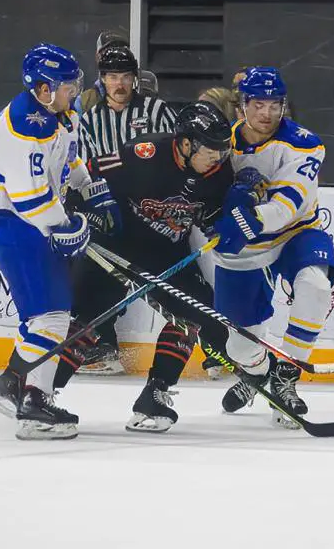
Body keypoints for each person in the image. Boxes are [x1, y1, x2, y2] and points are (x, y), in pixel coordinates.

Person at [0, 43, 121, 440]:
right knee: (51, 318)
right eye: (68, 84)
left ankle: (13, 386)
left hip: (27, 219)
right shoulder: (24, 123)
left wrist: (92, 189)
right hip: (9, 216)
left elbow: (69, 158)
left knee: (50, 316)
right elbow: (30, 197)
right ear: (42, 88)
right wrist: (67, 225)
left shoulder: (62, 113)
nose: (76, 90)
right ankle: (33, 407)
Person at [69, 101, 233, 431]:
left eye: (223, 150)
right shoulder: (143, 154)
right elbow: (83, 179)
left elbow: (213, 213)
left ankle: (154, 396)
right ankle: (38, 392)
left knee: (193, 312)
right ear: (186, 144)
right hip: (118, 244)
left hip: (165, 252)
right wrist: (85, 215)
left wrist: (224, 228)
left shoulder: (219, 173)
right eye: (212, 151)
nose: (219, 157)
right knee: (89, 317)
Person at [212, 67, 334, 429]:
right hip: (248, 247)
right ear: (241, 108)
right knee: (239, 345)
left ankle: (286, 378)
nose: (266, 113)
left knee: (315, 286)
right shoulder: (223, 143)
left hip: (297, 233)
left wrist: (250, 218)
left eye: (274, 105)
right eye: (258, 105)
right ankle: (258, 371)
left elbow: (288, 206)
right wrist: (223, 218)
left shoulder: (305, 143)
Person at [75, 44, 178, 373]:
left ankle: (213, 343)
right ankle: (105, 345)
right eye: (112, 77)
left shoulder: (157, 110)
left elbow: (175, 156)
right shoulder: (89, 119)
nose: (119, 84)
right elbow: (84, 167)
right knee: (103, 277)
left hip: (154, 210)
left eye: (125, 77)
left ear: (136, 79)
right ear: (102, 80)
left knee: (174, 282)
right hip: (110, 209)